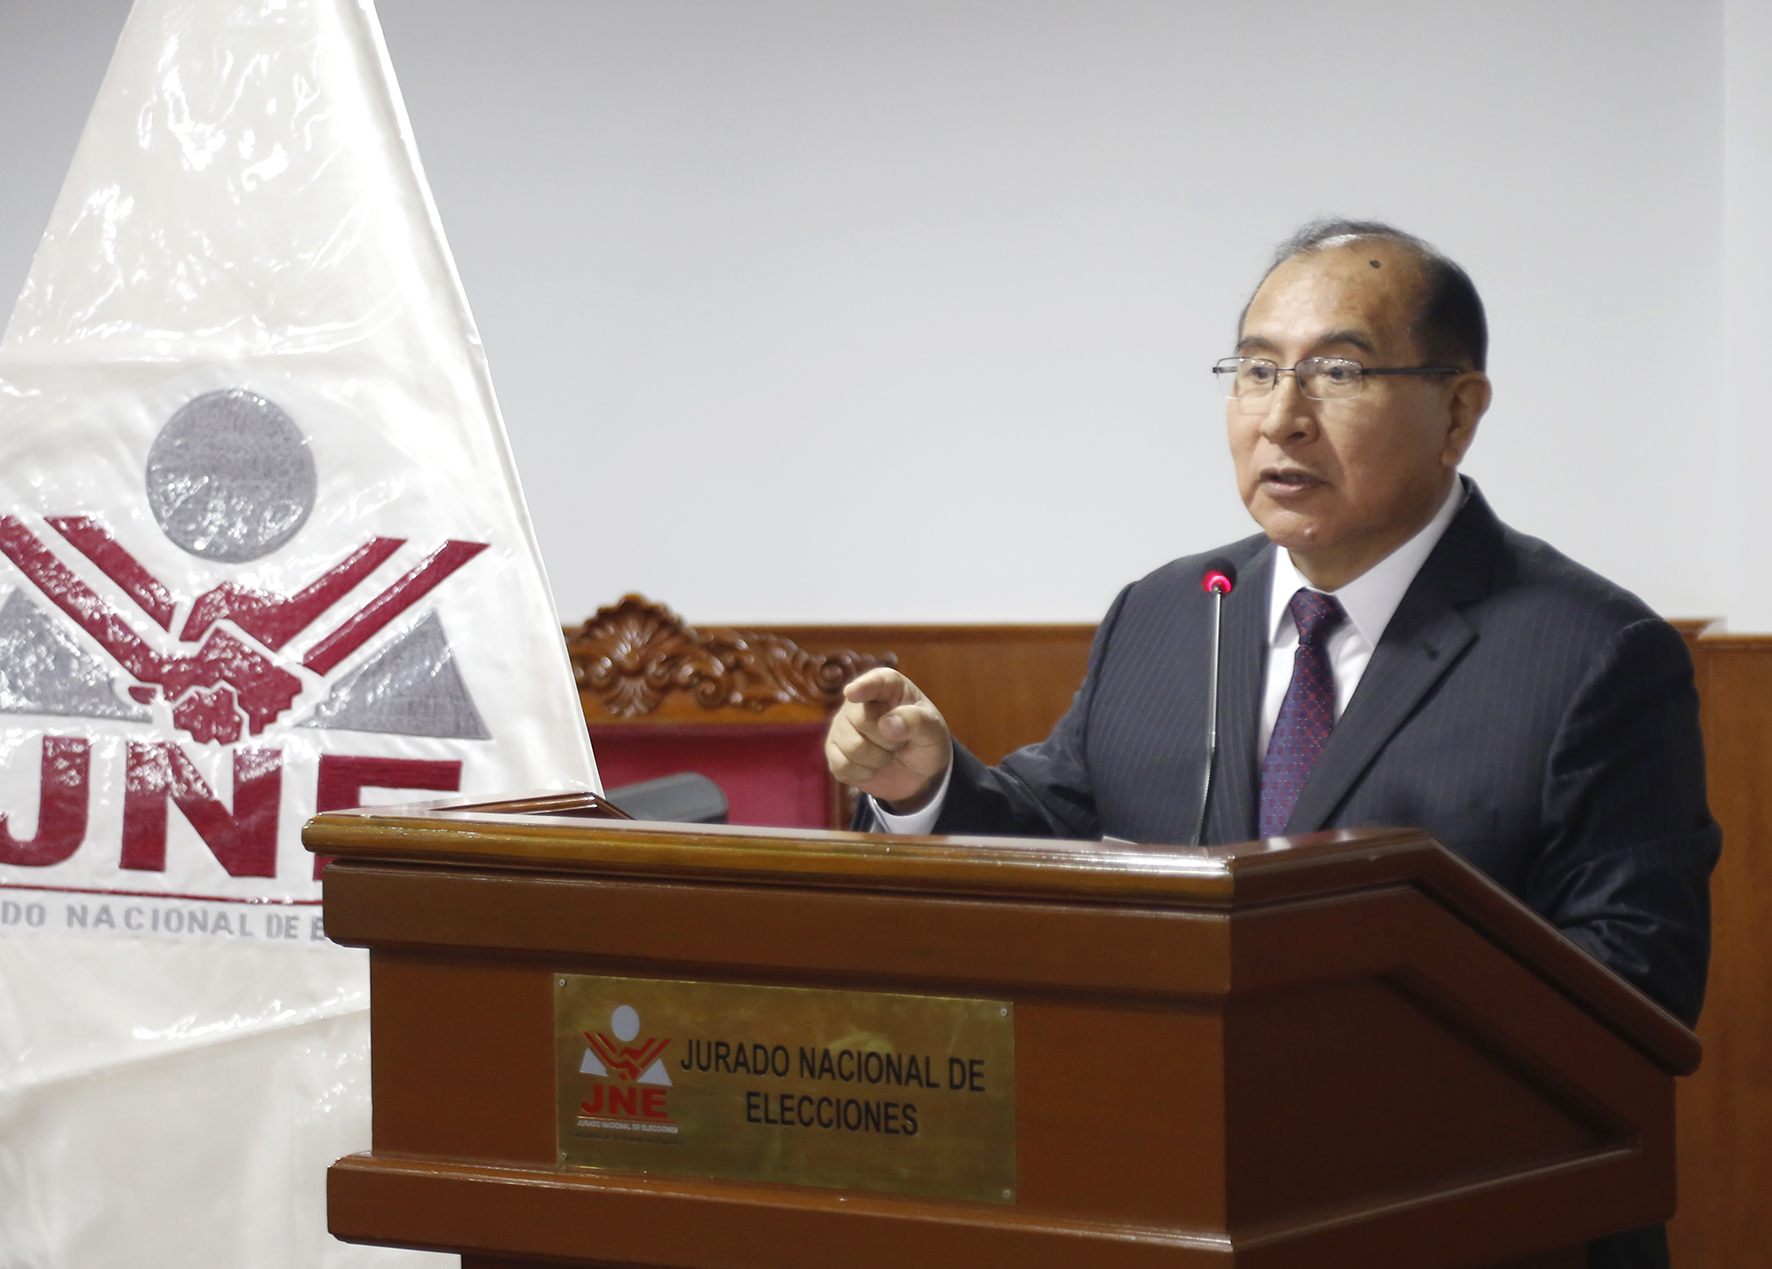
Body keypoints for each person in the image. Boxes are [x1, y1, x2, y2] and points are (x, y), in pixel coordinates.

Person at [824, 219, 1718, 1269]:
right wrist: (928, 785)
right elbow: (1057, 827)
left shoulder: (1591, 652)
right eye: (1255, 371)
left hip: (1462, 1226)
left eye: (1337, 372)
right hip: (1173, 1209)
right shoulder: (1169, 611)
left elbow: (1630, 990)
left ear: (1457, 411)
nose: (1282, 417)